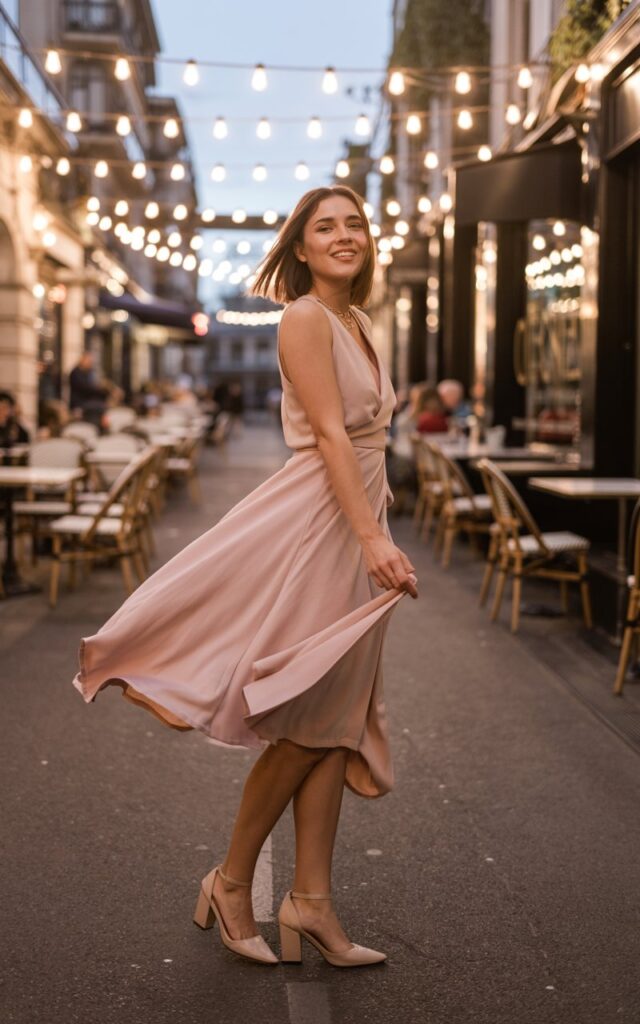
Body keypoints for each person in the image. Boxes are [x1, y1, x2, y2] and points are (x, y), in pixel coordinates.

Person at [72, 185, 418, 968]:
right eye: (324, 227)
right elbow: (329, 433)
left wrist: (377, 522)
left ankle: (312, 903)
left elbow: (363, 440)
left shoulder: (358, 321)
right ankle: (232, 882)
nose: (343, 236)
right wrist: (370, 540)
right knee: (306, 720)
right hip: (325, 526)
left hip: (359, 519)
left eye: (354, 224)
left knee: (333, 723)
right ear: (299, 248)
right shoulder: (302, 316)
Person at [68, 351, 110, 426]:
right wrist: (100, 390)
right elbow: (86, 388)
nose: (90, 363)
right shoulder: (75, 373)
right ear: (82, 360)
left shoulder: (88, 373)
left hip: (88, 401)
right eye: (88, 361)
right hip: (80, 403)